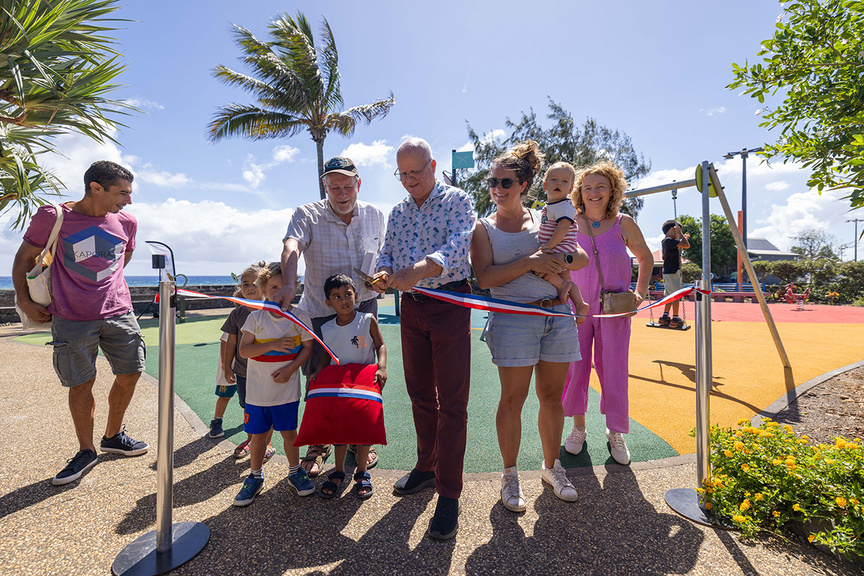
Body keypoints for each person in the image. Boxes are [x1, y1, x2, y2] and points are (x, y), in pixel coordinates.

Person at [470, 141, 589, 513]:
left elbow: (580, 257)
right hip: (513, 320)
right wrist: (532, 261)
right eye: (493, 181)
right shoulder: (482, 228)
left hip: (556, 317)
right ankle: (510, 474)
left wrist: (561, 258)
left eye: (506, 182)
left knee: (552, 397)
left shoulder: (547, 216)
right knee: (513, 399)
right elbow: (486, 278)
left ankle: (552, 468)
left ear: (524, 184)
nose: (497, 188)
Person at [12, 160, 148, 486]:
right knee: (80, 384)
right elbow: (24, 258)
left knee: (131, 372)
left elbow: (121, 259)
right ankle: (86, 450)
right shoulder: (54, 216)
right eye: (122, 193)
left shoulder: (127, 221)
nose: (127, 200)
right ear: (95, 188)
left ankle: (113, 436)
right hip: (71, 317)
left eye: (129, 193)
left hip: (119, 312)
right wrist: (24, 299)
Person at [371, 137, 475, 540]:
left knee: (452, 400)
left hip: (449, 302)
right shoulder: (397, 211)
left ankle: (450, 492)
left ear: (433, 165)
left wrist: (418, 270)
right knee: (418, 392)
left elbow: (460, 246)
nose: (410, 180)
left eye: (416, 171)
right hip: (411, 308)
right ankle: (426, 466)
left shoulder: (457, 199)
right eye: (403, 174)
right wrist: (383, 273)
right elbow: (387, 252)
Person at [273, 156, 386, 477]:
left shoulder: (376, 215)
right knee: (320, 379)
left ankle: (359, 436)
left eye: (348, 185)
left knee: (363, 376)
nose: (341, 192)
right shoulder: (306, 214)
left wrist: (383, 274)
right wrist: (289, 281)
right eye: (334, 186)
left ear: (359, 185)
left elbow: (384, 256)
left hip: (364, 307)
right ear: (325, 186)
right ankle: (319, 444)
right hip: (320, 314)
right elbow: (291, 246)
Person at [561, 161, 653, 465]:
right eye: (587, 188)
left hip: (614, 311)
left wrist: (639, 293)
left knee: (613, 368)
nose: (593, 192)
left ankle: (615, 432)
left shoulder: (623, 223)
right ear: (580, 193)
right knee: (576, 369)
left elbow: (645, 256)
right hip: (577, 309)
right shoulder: (570, 222)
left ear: (612, 190)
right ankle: (578, 429)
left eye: (600, 186)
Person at [233, 262, 315, 506]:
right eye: (273, 287)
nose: (279, 293)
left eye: (284, 287)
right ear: (264, 290)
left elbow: (308, 347)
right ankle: (255, 477)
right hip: (257, 394)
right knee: (257, 437)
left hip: (286, 392)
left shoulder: (299, 316)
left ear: (293, 288)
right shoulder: (255, 318)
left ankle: (294, 472)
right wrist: (273, 345)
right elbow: (245, 350)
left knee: (289, 433)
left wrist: (291, 369)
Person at [310, 274, 387, 500]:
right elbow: (326, 354)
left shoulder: (367, 319)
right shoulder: (327, 328)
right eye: (336, 297)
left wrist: (381, 367)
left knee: (364, 427)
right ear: (328, 303)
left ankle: (362, 472)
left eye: (348, 294)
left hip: (365, 382)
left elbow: (380, 344)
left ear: (356, 295)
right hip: (339, 384)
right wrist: (318, 372)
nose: (343, 300)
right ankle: (339, 470)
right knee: (339, 428)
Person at [213, 264, 275, 462]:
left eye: (254, 283)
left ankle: (267, 443)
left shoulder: (273, 311)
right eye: (245, 284)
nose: (249, 287)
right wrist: (226, 365)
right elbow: (231, 341)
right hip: (243, 372)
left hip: (267, 371)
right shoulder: (237, 314)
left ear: (264, 286)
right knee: (249, 409)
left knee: (268, 407)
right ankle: (251, 440)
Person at [539, 161, 588, 318]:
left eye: (564, 181)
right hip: (560, 248)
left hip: (560, 248)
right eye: (554, 179)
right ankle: (580, 304)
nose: (559, 183)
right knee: (566, 277)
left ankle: (562, 286)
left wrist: (548, 246)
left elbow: (563, 228)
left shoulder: (564, 206)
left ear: (571, 189)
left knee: (541, 268)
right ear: (545, 185)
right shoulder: (551, 206)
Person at [657, 220, 690, 328]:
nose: (678, 234)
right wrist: (681, 235)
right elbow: (687, 245)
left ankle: (665, 317)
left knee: (670, 295)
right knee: (676, 296)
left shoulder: (667, 242)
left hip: (668, 271)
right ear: (673, 229)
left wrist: (681, 238)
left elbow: (679, 252)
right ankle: (675, 318)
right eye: (677, 231)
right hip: (673, 272)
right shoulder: (669, 241)